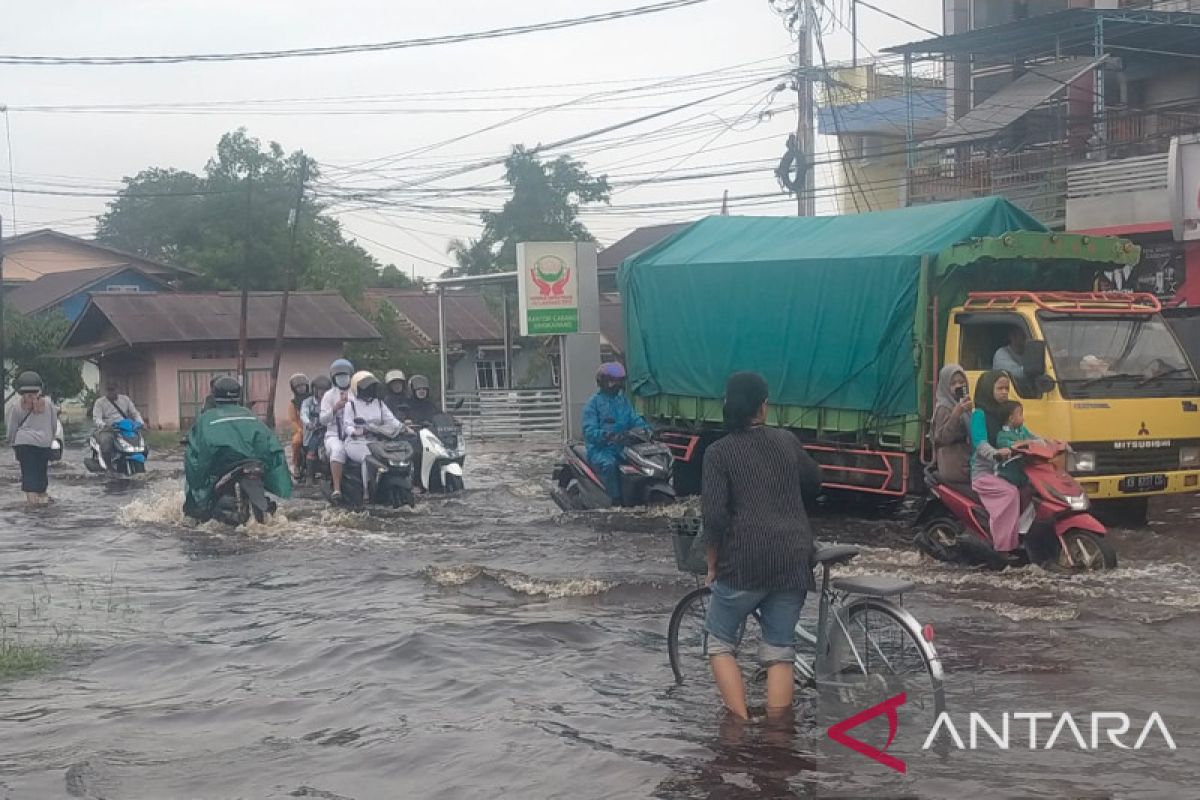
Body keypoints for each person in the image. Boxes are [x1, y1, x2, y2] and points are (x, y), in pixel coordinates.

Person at [702, 372, 823, 721]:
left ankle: (739, 727)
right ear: (762, 407)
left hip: (745, 561)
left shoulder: (718, 453)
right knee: (780, 649)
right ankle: (777, 737)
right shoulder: (786, 441)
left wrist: (712, 564)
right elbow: (814, 481)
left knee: (720, 642)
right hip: (793, 558)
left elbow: (714, 517)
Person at [183, 376, 292, 521]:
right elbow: (270, 442)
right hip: (254, 463)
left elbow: (196, 452)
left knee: (201, 501)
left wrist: (198, 479)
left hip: (225, 466)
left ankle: (206, 509)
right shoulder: (250, 415)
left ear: (215, 394)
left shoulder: (206, 418)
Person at [969, 371, 1022, 558]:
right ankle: (1003, 547)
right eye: (1000, 388)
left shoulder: (1004, 413)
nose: (1004, 392)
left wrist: (1048, 443)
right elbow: (979, 442)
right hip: (984, 474)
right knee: (1010, 493)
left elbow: (1025, 433)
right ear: (986, 389)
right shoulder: (979, 415)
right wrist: (996, 454)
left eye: (1007, 388)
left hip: (1005, 470)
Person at [582, 362, 648, 503]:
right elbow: (589, 431)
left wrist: (647, 431)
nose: (616, 385)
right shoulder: (593, 404)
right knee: (610, 465)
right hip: (601, 451)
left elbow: (635, 419)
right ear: (603, 382)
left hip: (623, 448)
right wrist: (606, 436)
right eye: (612, 381)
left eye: (619, 381)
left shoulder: (623, 402)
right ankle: (615, 500)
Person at [341, 371, 405, 498]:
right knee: (368, 458)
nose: (370, 390)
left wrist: (404, 428)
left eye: (372, 387)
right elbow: (347, 425)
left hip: (378, 441)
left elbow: (391, 420)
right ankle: (367, 491)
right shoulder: (351, 404)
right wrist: (355, 432)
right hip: (357, 442)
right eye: (366, 387)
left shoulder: (379, 404)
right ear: (357, 388)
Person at [6, 371, 58, 506]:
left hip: (24, 445)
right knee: (41, 474)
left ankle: (32, 510)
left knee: (29, 476)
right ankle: (42, 505)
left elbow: (12, 428)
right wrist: (50, 439)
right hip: (44, 444)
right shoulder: (48, 404)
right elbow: (54, 425)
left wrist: (11, 442)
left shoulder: (16, 406)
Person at [930, 364, 974, 487]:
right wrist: (956, 414)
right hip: (955, 467)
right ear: (945, 386)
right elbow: (943, 438)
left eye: (961, 382)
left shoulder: (963, 405)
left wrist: (969, 412)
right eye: (953, 383)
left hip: (967, 462)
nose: (958, 386)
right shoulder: (944, 408)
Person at [319, 358, 355, 502]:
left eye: (345, 375)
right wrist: (335, 408)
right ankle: (337, 488)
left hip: (353, 433)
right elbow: (323, 419)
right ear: (334, 378)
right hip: (334, 434)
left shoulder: (356, 392)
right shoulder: (329, 395)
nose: (342, 378)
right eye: (339, 376)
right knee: (338, 450)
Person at [92, 381, 146, 466]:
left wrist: (140, 423)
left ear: (117, 390)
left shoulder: (125, 399)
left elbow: (134, 413)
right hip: (108, 429)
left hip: (125, 428)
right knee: (106, 445)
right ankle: (109, 467)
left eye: (113, 389)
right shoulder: (100, 402)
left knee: (143, 445)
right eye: (109, 390)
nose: (111, 392)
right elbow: (96, 418)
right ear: (106, 391)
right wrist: (104, 425)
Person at [995, 400, 1042, 488]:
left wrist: (1044, 442)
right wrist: (1026, 443)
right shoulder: (1002, 436)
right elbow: (1013, 446)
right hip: (1010, 472)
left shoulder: (1022, 429)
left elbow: (1033, 437)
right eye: (1020, 414)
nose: (1023, 418)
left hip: (1025, 467)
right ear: (1011, 418)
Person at [301, 374, 331, 481]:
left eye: (325, 389)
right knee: (311, 451)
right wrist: (308, 423)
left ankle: (328, 474)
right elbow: (303, 414)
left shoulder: (330, 402)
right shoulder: (308, 402)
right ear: (314, 390)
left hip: (328, 431)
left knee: (329, 452)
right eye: (320, 389)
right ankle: (309, 475)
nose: (322, 392)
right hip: (313, 431)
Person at [286, 373, 310, 479]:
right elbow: (293, 420)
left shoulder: (313, 399)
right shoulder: (293, 404)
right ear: (294, 389)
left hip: (314, 428)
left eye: (303, 385)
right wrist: (299, 429)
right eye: (298, 386)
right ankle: (295, 465)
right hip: (301, 430)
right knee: (296, 442)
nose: (301, 388)